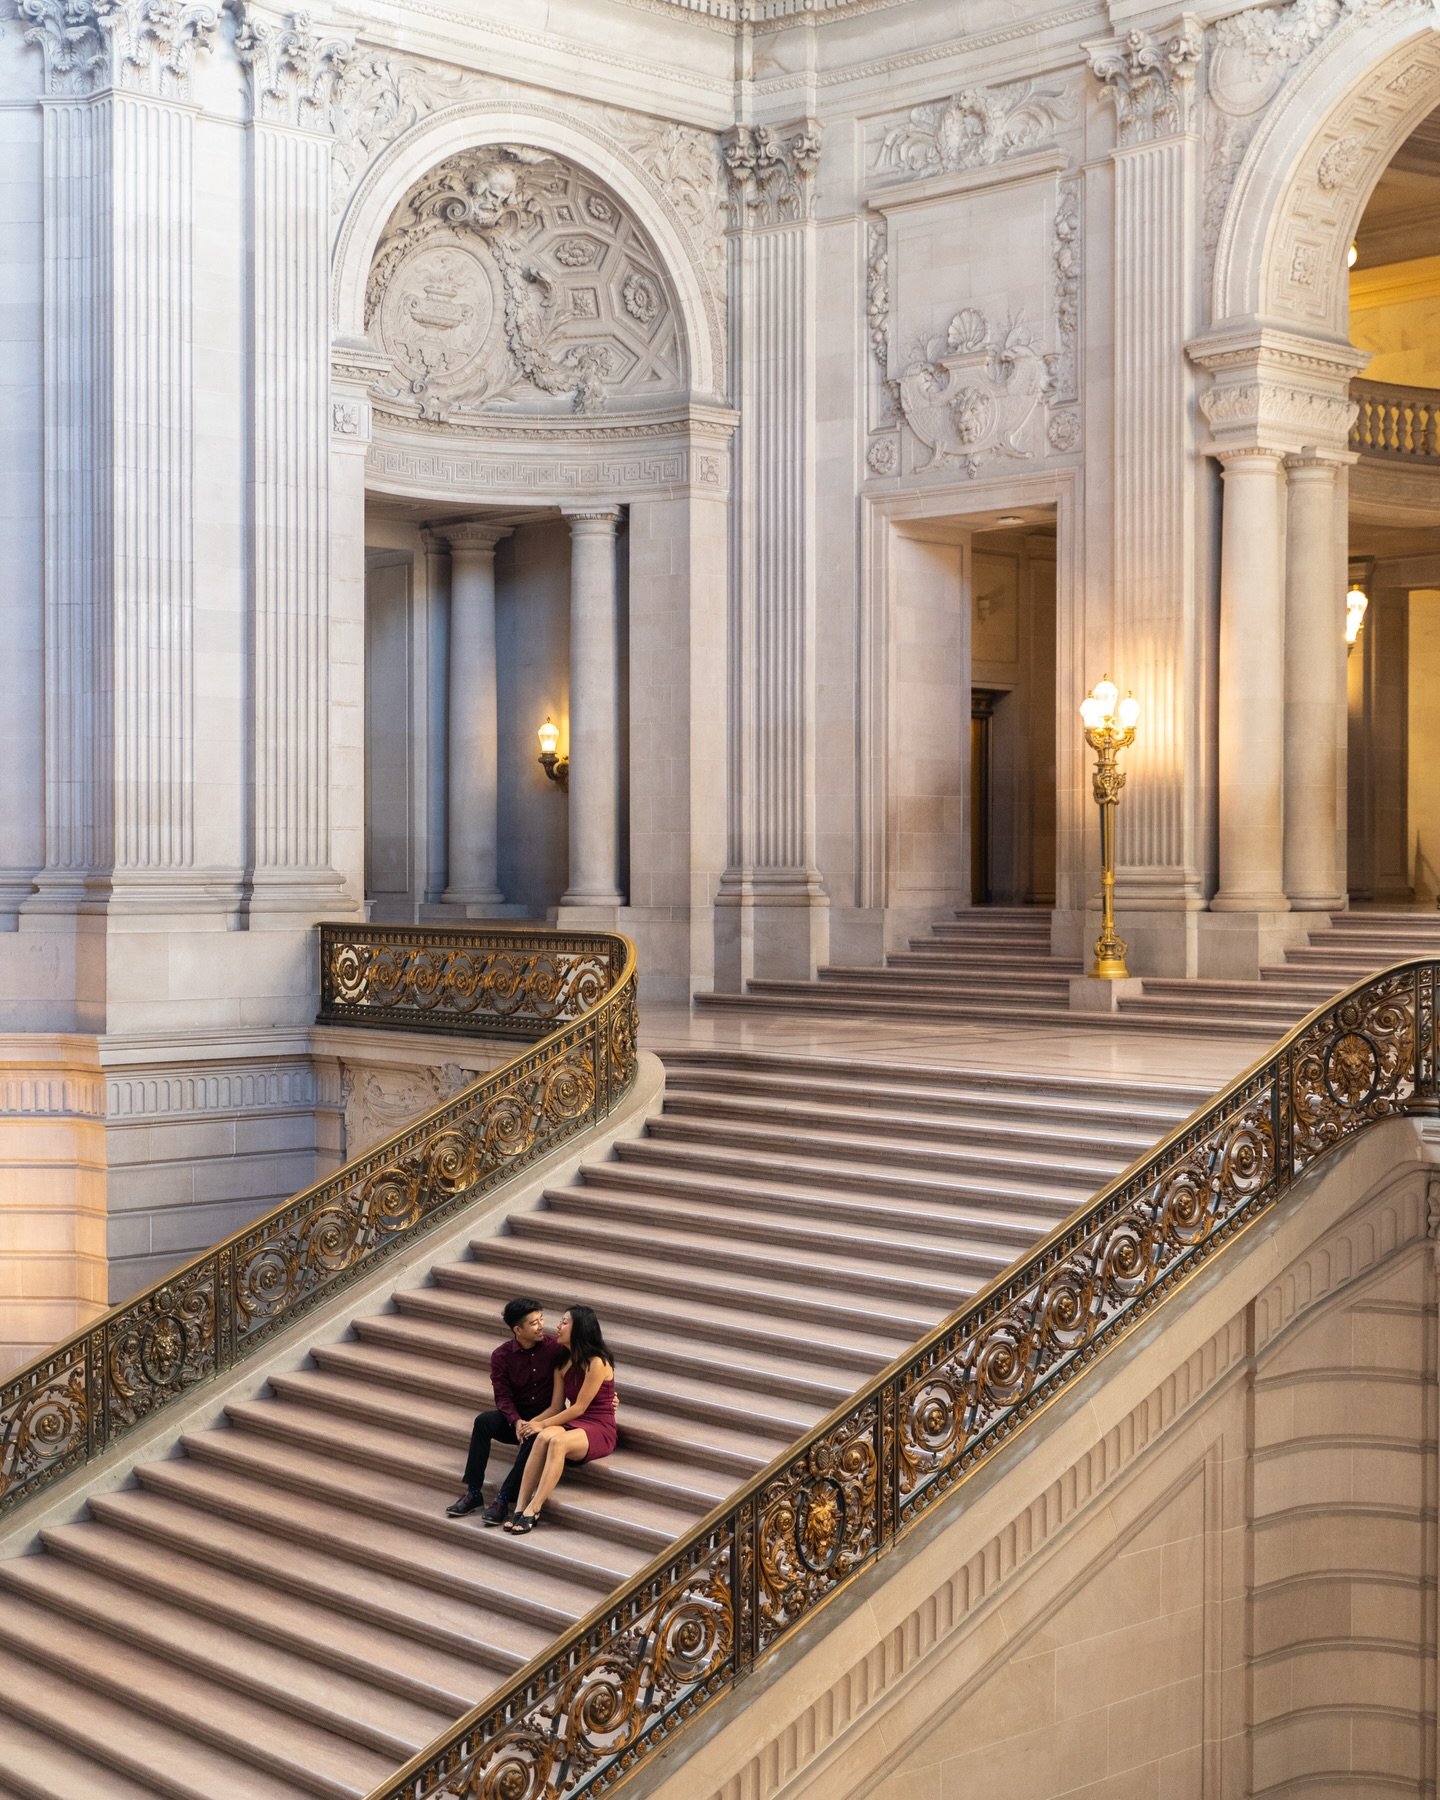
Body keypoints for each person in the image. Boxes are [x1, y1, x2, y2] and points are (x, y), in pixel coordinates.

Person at [446, 1296, 563, 1525]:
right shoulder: (501, 1356)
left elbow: (585, 1365)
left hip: (546, 1420)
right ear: (517, 1329)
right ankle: (473, 1492)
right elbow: (502, 1395)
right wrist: (515, 1420)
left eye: (541, 1320)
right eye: (534, 1323)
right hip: (517, 1420)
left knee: (534, 1434)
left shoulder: (554, 1348)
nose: (541, 1326)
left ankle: (503, 1498)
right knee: (483, 1421)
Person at [504, 1304, 618, 1534]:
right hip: (575, 1422)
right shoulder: (562, 1364)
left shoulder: (597, 1362)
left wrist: (542, 1423)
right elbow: (556, 1406)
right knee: (543, 1436)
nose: (558, 1326)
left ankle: (534, 1508)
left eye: (565, 1322)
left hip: (598, 1426)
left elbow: (579, 1408)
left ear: (580, 1329)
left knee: (557, 1441)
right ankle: (519, 1506)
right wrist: (532, 1423)